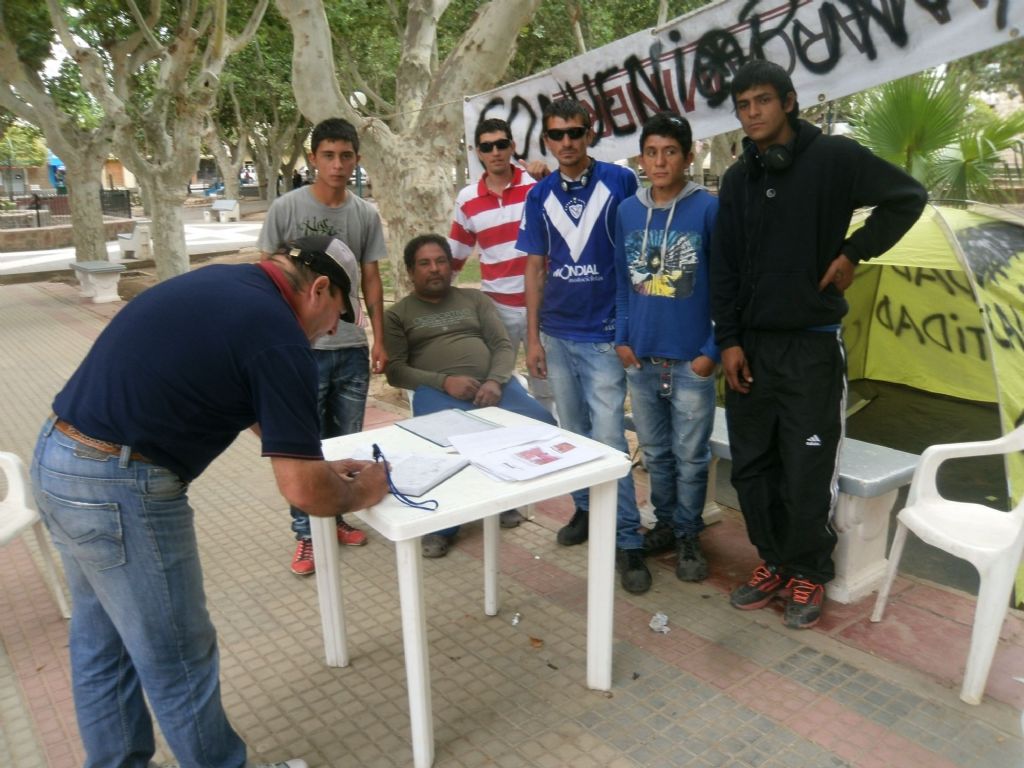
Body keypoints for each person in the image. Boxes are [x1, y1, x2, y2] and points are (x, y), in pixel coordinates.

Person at [30, 237, 389, 768]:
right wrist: (365, 489)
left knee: (102, 642)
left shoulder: (227, 283)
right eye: (339, 314)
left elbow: (243, 393)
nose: (334, 330)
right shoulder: (278, 334)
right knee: (179, 656)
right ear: (318, 288)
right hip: (119, 487)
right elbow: (303, 492)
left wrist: (311, 459)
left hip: (58, 460)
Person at [710, 59, 927, 629]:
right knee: (752, 467)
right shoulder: (737, 180)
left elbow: (907, 196)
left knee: (807, 466)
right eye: (743, 105)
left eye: (762, 100)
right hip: (750, 349)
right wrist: (728, 339)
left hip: (810, 348)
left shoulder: (834, 158)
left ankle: (808, 570)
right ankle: (773, 561)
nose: (752, 113)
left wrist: (855, 252)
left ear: (788, 102)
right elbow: (724, 266)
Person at [516, 97, 651, 594]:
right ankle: (586, 509)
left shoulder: (620, 181)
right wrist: (532, 337)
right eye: (557, 134)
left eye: (575, 132)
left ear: (589, 134)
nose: (567, 142)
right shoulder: (540, 195)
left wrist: (630, 329)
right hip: (556, 335)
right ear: (547, 141)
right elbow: (535, 267)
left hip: (604, 337)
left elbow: (639, 254)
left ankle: (628, 539)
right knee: (571, 434)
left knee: (611, 440)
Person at [259, 117, 388, 576]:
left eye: (346, 156)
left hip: (350, 348)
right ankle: (306, 534)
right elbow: (267, 276)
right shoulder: (286, 208)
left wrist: (378, 338)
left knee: (345, 441)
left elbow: (371, 279)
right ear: (313, 158)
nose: (337, 165)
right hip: (301, 351)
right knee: (303, 446)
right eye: (328, 155)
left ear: (357, 160)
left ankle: (336, 518)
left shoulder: (365, 215)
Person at [384, 234, 557, 557]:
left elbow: (502, 345)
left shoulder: (475, 300)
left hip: (494, 387)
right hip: (439, 393)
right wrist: (444, 381)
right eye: (425, 263)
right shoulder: (398, 314)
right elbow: (395, 371)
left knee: (543, 424)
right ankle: (442, 526)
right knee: (444, 449)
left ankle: (500, 497)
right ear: (410, 271)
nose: (434, 269)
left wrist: (494, 381)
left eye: (441, 261)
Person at [614, 112, 719, 584]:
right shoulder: (627, 211)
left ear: (688, 156)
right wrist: (622, 338)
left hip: (691, 362)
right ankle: (666, 523)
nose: (660, 162)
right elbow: (622, 282)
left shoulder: (708, 210)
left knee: (691, 457)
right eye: (651, 152)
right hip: (641, 359)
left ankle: (689, 533)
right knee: (655, 454)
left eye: (670, 152)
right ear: (641, 158)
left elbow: (728, 285)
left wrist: (711, 350)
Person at [448, 117, 554, 413]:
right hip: (497, 308)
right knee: (494, 384)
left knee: (549, 385)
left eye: (501, 144)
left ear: (512, 146)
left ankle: (554, 434)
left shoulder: (536, 186)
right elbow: (455, 254)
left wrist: (548, 180)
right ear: (478, 152)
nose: (495, 152)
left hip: (544, 304)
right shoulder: (467, 199)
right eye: (487, 147)